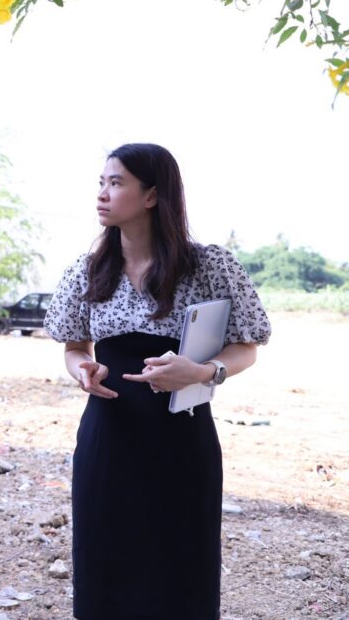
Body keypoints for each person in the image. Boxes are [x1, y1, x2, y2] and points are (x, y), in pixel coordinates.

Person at [43, 144, 271, 620]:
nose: (102, 194)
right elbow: (74, 348)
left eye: (116, 183)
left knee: (180, 574)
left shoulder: (208, 267)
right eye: (101, 183)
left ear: (152, 195)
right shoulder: (87, 271)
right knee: (105, 570)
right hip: (108, 443)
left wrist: (204, 372)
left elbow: (247, 346)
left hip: (182, 443)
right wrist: (82, 369)